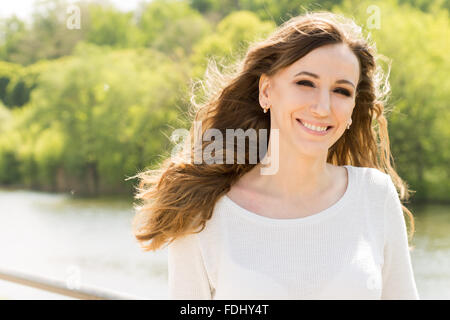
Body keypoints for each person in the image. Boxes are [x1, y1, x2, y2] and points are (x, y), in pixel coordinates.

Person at [130, 11, 419, 300]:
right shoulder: (201, 211)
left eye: (341, 91)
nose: (322, 107)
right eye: (306, 83)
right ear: (267, 90)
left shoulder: (374, 196)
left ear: (353, 107)